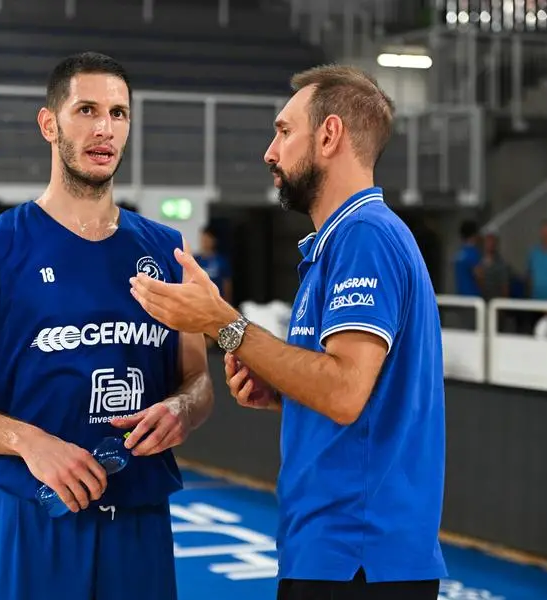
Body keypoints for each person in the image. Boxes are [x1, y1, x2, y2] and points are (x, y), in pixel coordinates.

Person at [129, 64, 446, 599]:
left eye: (283, 131)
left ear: (329, 136)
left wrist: (221, 323)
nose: (269, 152)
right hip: (345, 552)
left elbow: (344, 391)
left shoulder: (363, 236)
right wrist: (284, 389)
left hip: (356, 555)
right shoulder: (342, 243)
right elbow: (357, 395)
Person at [0, 52, 213, 600]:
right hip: (37, 517)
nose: (105, 128)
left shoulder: (167, 250)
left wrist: (183, 409)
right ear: (49, 124)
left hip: (140, 516)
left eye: (119, 114)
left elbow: (197, 381)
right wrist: (29, 442)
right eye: (87, 110)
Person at [194, 225, 232, 302]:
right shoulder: (195, 259)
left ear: (214, 240)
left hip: (217, 301)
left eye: (208, 238)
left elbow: (227, 284)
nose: (205, 241)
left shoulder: (221, 260)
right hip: (199, 301)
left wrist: (228, 303)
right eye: (203, 238)